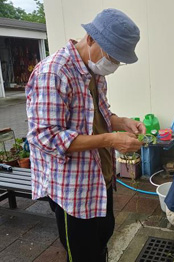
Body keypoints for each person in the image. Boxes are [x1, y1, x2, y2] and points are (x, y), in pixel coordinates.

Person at [26, 9, 145, 262]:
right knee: (82, 254)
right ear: (90, 39)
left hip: (100, 177)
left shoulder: (96, 73)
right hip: (73, 188)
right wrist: (111, 140)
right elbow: (46, 137)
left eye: (118, 59)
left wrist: (121, 122)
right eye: (111, 56)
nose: (113, 64)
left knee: (101, 241)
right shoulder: (53, 73)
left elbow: (97, 115)